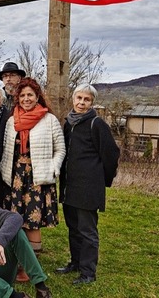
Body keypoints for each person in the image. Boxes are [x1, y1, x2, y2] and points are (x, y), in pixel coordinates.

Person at [0, 77, 65, 281]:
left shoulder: (49, 120)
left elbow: (60, 149)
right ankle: (15, 262)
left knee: (33, 222)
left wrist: (53, 169)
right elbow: (6, 148)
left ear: (38, 97)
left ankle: (30, 266)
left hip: (37, 177)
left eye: (30, 95)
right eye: (22, 95)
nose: (26, 99)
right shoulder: (12, 121)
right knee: (15, 220)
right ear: (17, 98)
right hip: (16, 178)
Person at [57, 84, 120, 285]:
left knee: (87, 232)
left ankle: (88, 273)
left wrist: (103, 181)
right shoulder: (68, 123)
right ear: (73, 99)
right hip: (70, 186)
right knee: (73, 227)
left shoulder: (97, 124)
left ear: (92, 102)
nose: (82, 103)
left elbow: (111, 155)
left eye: (87, 100)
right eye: (79, 98)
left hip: (88, 187)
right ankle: (75, 262)